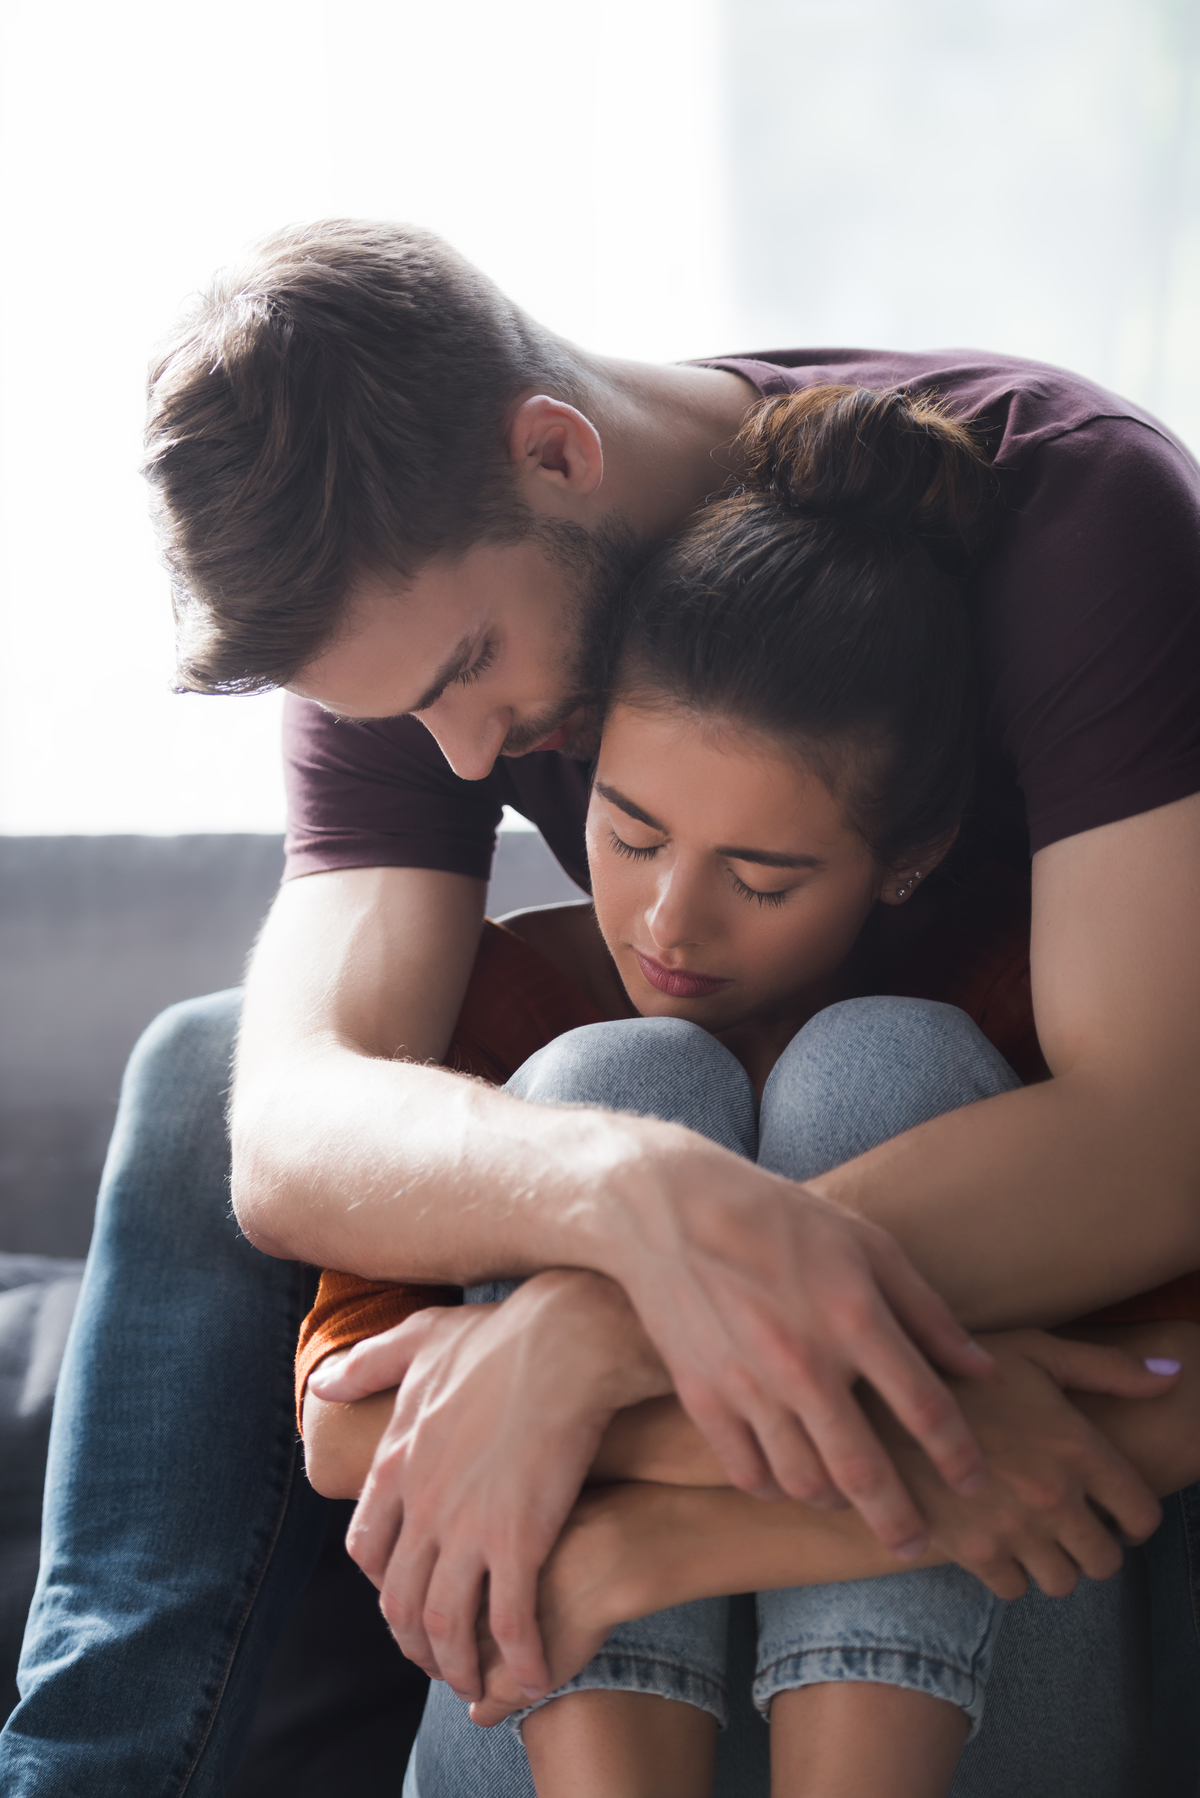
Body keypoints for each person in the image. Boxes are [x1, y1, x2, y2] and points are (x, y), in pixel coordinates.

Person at [3, 219, 1199, 1796]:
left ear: (553, 453)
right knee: (219, 1063)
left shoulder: (1070, 511)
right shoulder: (413, 628)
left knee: (874, 1063)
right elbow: (289, 1125)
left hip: (981, 1442)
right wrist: (626, 1196)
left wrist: (597, 1329)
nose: (464, 757)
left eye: (466, 669)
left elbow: (1158, 1135)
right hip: (778, 1422)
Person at [297, 382, 1200, 1798]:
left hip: (960, 1719)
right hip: (545, 1716)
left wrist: (645, 1520)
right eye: (629, 831)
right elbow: (351, 1422)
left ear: (907, 857)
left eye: (764, 877)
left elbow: (1171, 1386)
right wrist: (917, 1430)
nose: (669, 924)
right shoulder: (514, 1011)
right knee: (619, 1078)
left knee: (886, 1068)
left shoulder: (1025, 1024)